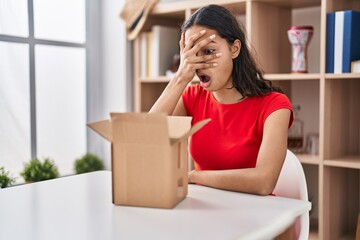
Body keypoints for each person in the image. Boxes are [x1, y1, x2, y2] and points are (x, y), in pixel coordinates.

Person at [149, 4, 293, 196]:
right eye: (192, 54)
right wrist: (180, 77)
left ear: (234, 49)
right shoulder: (192, 97)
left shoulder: (274, 106)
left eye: (208, 51)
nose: (198, 64)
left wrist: (193, 177)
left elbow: (264, 182)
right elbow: (148, 140)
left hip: (256, 214)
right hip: (206, 211)